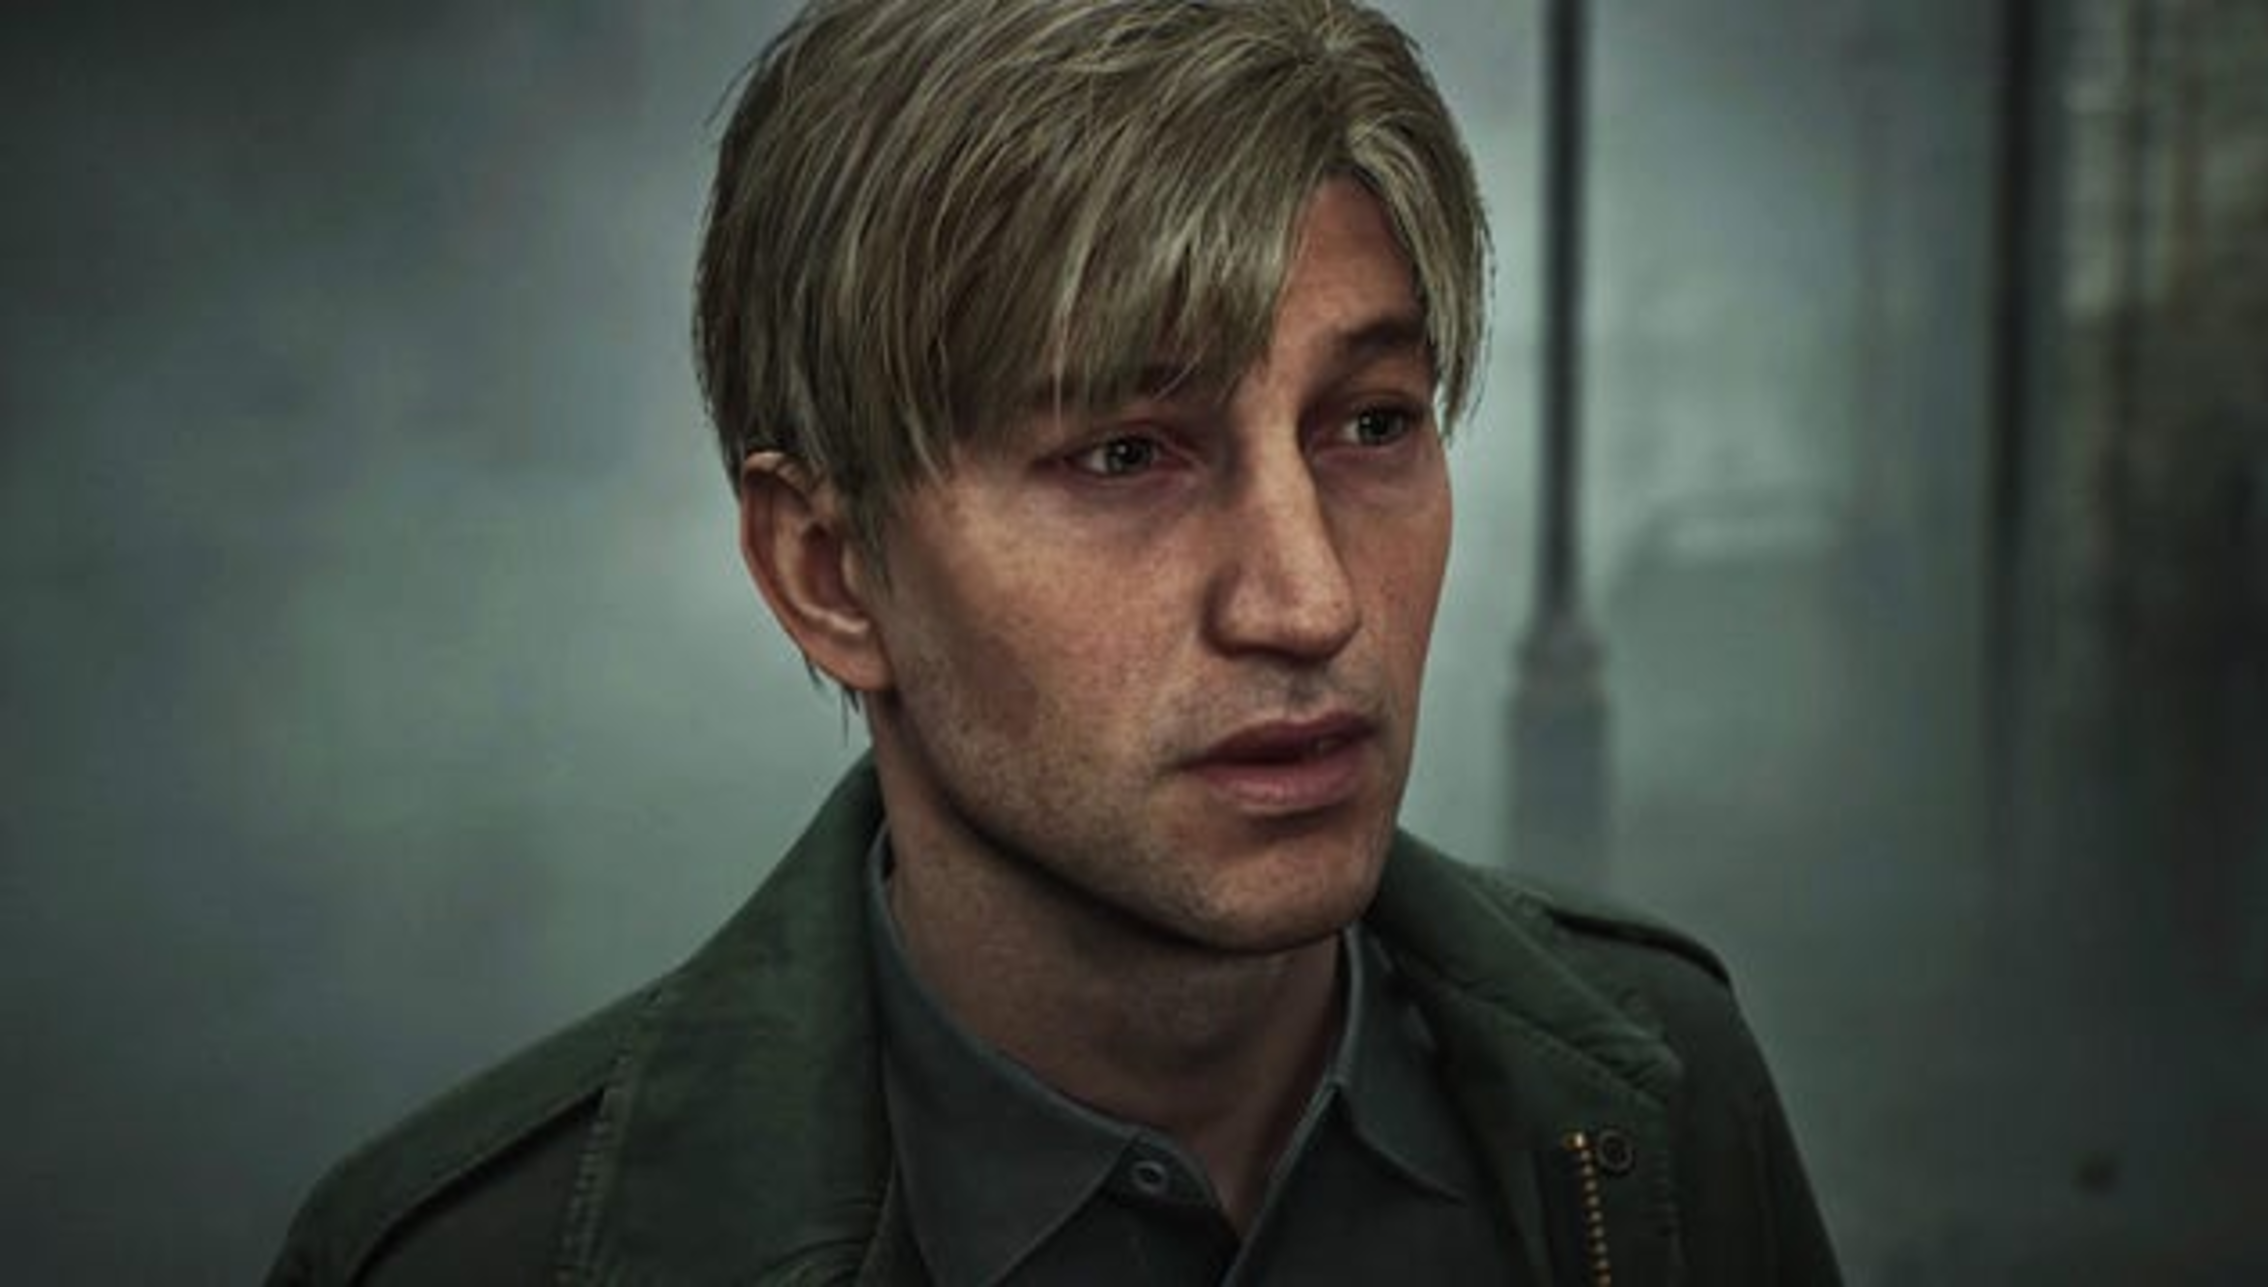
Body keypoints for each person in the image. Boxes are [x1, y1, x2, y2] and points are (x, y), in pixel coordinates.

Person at [268, 0, 1840, 1282]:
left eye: (1369, 422)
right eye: (1124, 454)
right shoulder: (487, 1258)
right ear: (829, 572)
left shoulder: (1651, 1084)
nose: (1308, 600)